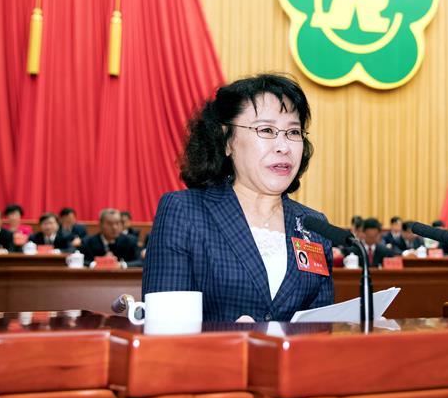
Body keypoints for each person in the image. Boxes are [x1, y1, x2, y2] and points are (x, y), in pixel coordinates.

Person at [142, 74, 334, 322]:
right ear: (227, 140)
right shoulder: (184, 212)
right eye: (267, 130)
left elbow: (320, 326)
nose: (283, 146)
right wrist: (228, 337)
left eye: (293, 132)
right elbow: (165, 327)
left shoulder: (314, 227)